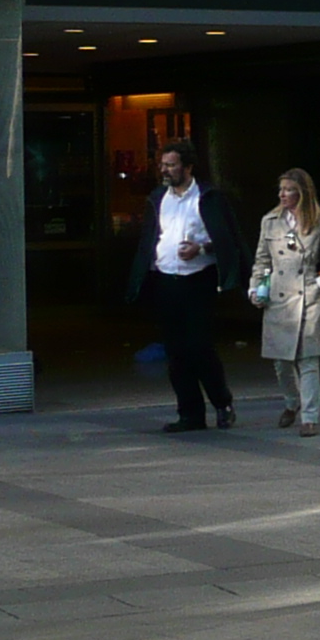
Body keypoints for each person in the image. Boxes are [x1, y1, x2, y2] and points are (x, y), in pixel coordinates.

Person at [129, 143, 243, 433]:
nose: (165, 170)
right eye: (163, 165)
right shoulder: (158, 198)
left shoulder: (208, 198)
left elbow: (229, 240)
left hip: (199, 280)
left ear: (188, 167)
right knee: (176, 351)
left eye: (171, 164)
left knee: (199, 346)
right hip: (167, 281)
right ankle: (190, 413)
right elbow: (150, 238)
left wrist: (202, 248)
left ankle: (222, 402)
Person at [249, 167, 320, 436]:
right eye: (281, 190)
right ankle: (293, 403)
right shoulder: (270, 221)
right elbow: (262, 260)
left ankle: (310, 417)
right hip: (278, 297)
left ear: (302, 192)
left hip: (308, 297)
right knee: (282, 361)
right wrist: (256, 288)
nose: (283, 194)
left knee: (309, 360)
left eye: (289, 189)